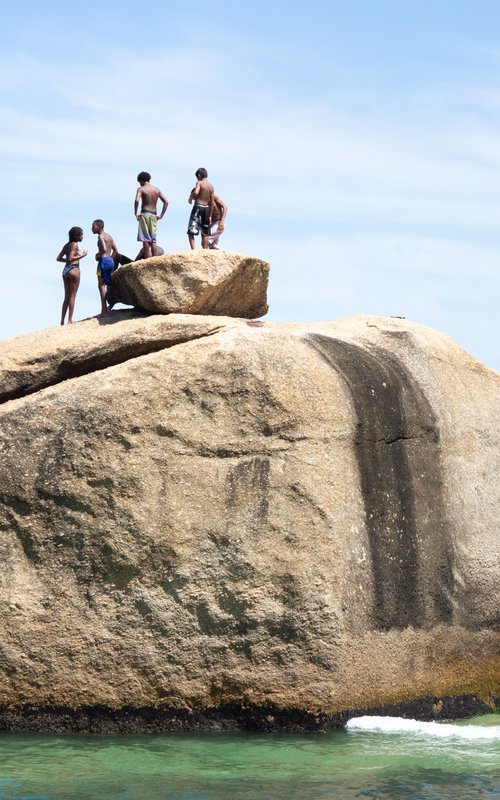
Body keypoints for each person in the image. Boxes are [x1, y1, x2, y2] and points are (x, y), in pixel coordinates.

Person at [56, 226, 87, 325]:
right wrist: (83, 255)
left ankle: (62, 321)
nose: (82, 236)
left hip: (65, 270)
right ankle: (69, 320)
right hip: (73, 270)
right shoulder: (74, 245)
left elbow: (59, 258)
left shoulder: (67, 245)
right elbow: (70, 258)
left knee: (66, 296)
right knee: (72, 296)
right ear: (76, 236)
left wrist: (69, 260)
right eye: (81, 235)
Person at [134, 171, 168, 258]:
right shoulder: (156, 190)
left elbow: (137, 200)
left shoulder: (141, 189)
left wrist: (136, 212)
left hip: (145, 214)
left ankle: (147, 259)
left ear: (141, 180)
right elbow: (166, 202)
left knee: (145, 239)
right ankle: (155, 259)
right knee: (153, 239)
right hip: (154, 215)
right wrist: (161, 215)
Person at [92, 219, 118, 315]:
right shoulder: (109, 237)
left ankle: (104, 310)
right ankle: (108, 307)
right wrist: (110, 259)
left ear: (99, 227)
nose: (92, 228)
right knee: (107, 284)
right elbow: (115, 250)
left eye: (93, 226)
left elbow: (103, 248)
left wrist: (99, 254)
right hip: (110, 261)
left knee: (101, 285)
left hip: (103, 262)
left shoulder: (101, 236)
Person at [187, 167, 214, 249]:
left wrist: (190, 198)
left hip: (198, 207)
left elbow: (196, 192)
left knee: (191, 230)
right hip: (206, 208)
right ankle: (205, 250)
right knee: (205, 232)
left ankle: (193, 250)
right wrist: (210, 215)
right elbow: (212, 202)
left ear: (199, 175)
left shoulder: (199, 182)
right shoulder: (211, 186)